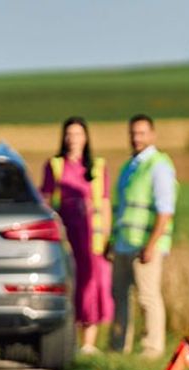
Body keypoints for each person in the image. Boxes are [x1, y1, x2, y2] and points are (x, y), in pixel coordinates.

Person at [41, 117, 113, 354]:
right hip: (67, 234)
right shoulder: (55, 165)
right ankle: (67, 337)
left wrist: (107, 237)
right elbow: (47, 201)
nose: (73, 139)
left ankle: (89, 342)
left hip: (93, 237)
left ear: (86, 137)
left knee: (93, 284)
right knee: (71, 283)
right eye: (69, 134)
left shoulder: (97, 167)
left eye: (78, 134)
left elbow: (104, 203)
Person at [109, 114, 177, 358]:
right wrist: (112, 240)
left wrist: (152, 244)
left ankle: (152, 348)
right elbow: (124, 208)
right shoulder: (130, 166)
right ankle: (118, 346)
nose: (136, 138)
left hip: (145, 244)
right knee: (119, 296)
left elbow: (165, 210)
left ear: (152, 135)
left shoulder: (158, 165)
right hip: (124, 242)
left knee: (147, 297)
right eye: (133, 133)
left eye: (141, 133)